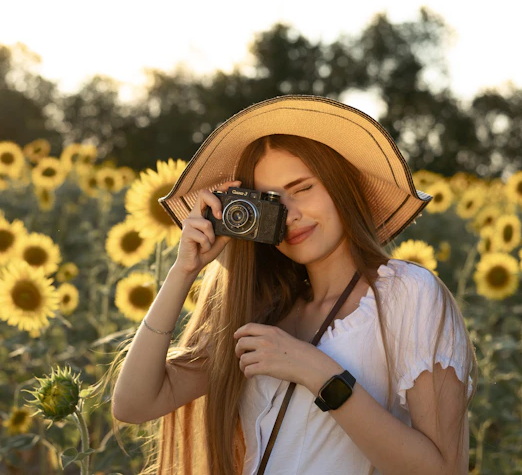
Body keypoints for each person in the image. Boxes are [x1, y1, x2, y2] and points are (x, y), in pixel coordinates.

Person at [97, 95, 478, 475]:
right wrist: (184, 271)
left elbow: (443, 470)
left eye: (303, 188)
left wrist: (320, 374)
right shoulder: (264, 309)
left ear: (340, 185)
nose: (290, 215)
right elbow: (133, 404)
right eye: (271, 201)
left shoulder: (406, 293)